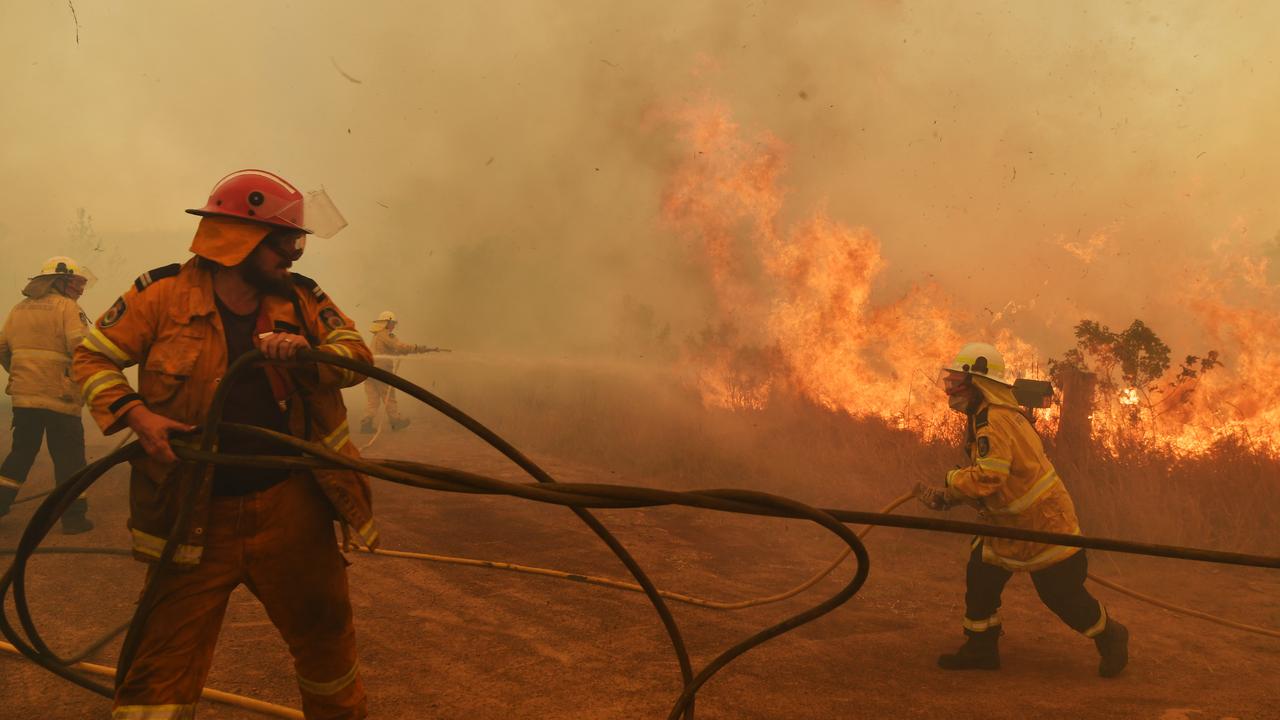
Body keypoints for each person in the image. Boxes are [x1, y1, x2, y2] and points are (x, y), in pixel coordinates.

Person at [72, 169, 377, 719]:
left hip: (291, 509)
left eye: (297, 241)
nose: (294, 255)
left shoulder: (302, 299)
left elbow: (356, 353)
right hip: (194, 515)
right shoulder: (159, 295)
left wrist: (310, 350)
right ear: (241, 240)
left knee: (327, 641)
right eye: (286, 241)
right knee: (160, 666)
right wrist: (137, 415)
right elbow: (92, 357)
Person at [914, 342, 1129, 677]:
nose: (950, 388)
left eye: (957, 381)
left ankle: (1110, 634)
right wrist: (950, 497)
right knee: (981, 577)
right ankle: (980, 648)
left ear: (979, 383)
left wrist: (951, 480)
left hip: (1041, 525)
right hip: (1007, 525)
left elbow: (989, 477)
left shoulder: (994, 421)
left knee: (1061, 596)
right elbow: (995, 478)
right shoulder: (986, 416)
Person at [0, 257, 95, 533]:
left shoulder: (19, 309)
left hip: (25, 397)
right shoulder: (68, 308)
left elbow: (2, 347)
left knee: (21, 452)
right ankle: (74, 518)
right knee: (69, 457)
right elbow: (81, 348)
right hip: (60, 396)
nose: (80, 289)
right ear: (60, 280)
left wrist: (21, 374)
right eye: (77, 283)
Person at [360, 310, 437, 433]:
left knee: (372, 400)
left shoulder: (377, 335)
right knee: (389, 396)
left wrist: (417, 350)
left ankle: (366, 424)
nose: (394, 325)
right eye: (393, 323)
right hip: (381, 372)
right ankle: (395, 421)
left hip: (369, 371)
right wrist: (418, 348)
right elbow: (399, 347)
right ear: (387, 322)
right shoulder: (385, 334)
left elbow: (395, 350)